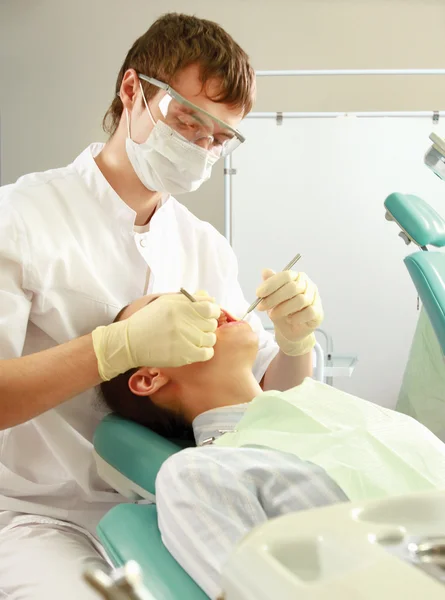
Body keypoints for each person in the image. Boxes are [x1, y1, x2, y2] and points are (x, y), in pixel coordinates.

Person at [0, 13, 324, 599]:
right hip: (40, 516)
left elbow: (263, 395)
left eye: (220, 139)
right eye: (188, 121)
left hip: (172, 505)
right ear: (133, 91)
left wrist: (296, 341)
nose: (202, 147)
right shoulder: (20, 218)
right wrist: (113, 347)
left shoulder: (203, 245)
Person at [100, 296, 445, 600]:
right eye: (169, 310)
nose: (204, 304)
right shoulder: (200, 471)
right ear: (149, 377)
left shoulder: (334, 408)